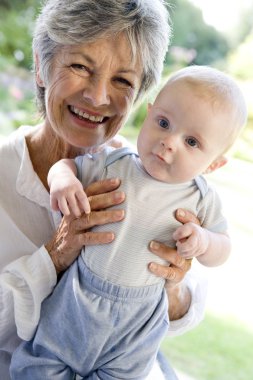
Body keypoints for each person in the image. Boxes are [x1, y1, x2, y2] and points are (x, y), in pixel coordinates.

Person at [0, 1, 207, 379]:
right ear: (41, 65)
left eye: (123, 81)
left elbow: (186, 312)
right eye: (80, 66)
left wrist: (170, 286)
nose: (98, 97)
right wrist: (55, 256)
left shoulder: (145, 172)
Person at [10, 65, 247, 379]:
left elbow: (224, 247)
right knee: (41, 365)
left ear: (214, 164)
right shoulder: (115, 163)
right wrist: (64, 180)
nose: (169, 142)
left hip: (138, 319)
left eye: (191, 142)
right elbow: (67, 165)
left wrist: (204, 241)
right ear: (148, 114)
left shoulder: (200, 198)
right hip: (79, 298)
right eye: (163, 123)